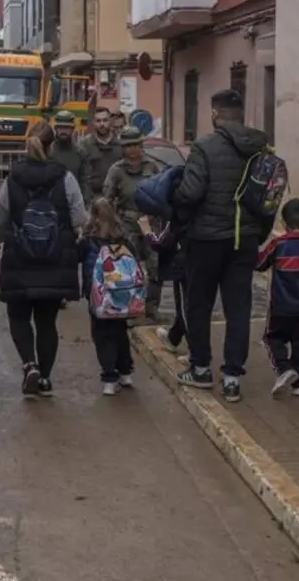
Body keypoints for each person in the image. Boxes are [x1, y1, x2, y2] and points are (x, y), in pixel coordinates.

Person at [171, 89, 271, 402]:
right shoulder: (260, 147)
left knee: (199, 304)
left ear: (215, 114)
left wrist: (175, 204)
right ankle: (231, 377)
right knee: (238, 308)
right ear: (241, 114)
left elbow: (191, 192)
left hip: (206, 239)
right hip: (245, 240)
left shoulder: (204, 146)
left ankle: (200, 367)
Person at [0, 120, 87, 397]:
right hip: (55, 258)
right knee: (47, 321)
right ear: (51, 145)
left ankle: (29, 365)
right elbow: (79, 216)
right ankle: (45, 379)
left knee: (18, 316)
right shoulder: (64, 176)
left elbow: (0, 216)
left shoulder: (13, 177)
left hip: (19, 256)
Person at [256, 198, 299, 397]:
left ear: (283, 223)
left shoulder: (278, 244)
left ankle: (284, 369)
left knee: (272, 338)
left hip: (282, 306)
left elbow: (259, 263)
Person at [101, 126, 165, 323]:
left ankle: (152, 308)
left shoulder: (152, 167)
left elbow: (162, 192)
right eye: (128, 146)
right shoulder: (116, 170)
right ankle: (130, 308)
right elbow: (107, 199)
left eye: (136, 145)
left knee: (156, 266)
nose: (132, 150)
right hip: (127, 223)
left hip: (150, 222)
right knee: (129, 269)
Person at [81, 197, 138, 396]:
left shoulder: (88, 240)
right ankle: (125, 371)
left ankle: (109, 377)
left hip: (98, 297)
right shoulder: (123, 239)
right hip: (121, 296)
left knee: (102, 336)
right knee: (120, 333)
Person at [141, 216, 189, 354]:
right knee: (192, 307)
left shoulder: (179, 214)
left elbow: (161, 242)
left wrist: (147, 232)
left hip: (184, 266)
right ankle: (173, 338)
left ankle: (197, 359)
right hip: (205, 261)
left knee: (186, 309)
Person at [77, 107, 122, 204]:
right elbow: (82, 175)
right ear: (93, 122)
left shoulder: (120, 145)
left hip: (116, 199)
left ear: (110, 121)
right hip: (93, 199)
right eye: (98, 121)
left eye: (105, 120)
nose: (102, 124)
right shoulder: (84, 145)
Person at [48, 110, 83, 179]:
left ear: (72, 129)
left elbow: (85, 180)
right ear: (56, 129)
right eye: (60, 127)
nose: (63, 131)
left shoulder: (80, 152)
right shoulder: (48, 152)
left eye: (67, 128)